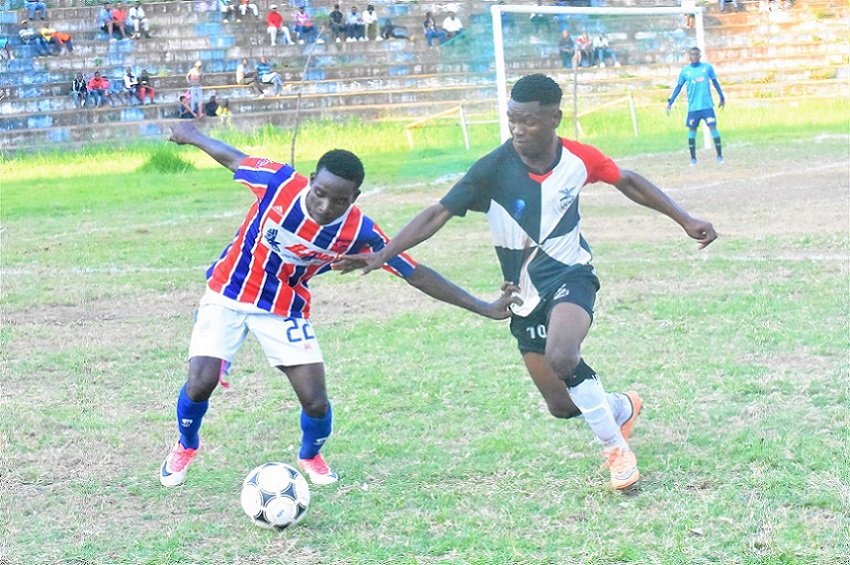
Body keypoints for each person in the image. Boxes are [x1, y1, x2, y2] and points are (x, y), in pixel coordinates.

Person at [339, 74, 718, 491]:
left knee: (563, 355)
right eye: (512, 120)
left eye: (529, 121)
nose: (518, 130)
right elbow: (436, 214)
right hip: (522, 295)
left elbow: (627, 180)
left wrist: (686, 219)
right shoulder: (491, 170)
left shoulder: (579, 159)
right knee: (560, 405)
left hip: (571, 274)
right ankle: (619, 408)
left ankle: (615, 449)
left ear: (555, 117)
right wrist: (382, 255)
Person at [158, 122, 518, 488]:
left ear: (355, 197)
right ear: (311, 180)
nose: (325, 207)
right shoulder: (278, 183)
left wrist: (483, 307)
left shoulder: (360, 232)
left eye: (339, 201)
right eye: (319, 194)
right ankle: (186, 444)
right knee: (200, 382)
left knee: (315, 401)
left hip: (284, 309)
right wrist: (191, 135)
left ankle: (310, 454)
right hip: (227, 295)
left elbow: (416, 273)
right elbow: (232, 157)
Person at [667, 47, 726, 165]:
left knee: (713, 128)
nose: (694, 56)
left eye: (696, 54)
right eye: (692, 54)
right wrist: (671, 101)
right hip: (693, 108)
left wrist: (722, 97)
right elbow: (678, 87)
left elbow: (715, 82)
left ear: (699, 55)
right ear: (689, 56)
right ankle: (693, 159)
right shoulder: (685, 71)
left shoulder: (707, 68)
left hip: (707, 106)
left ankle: (720, 157)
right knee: (692, 131)